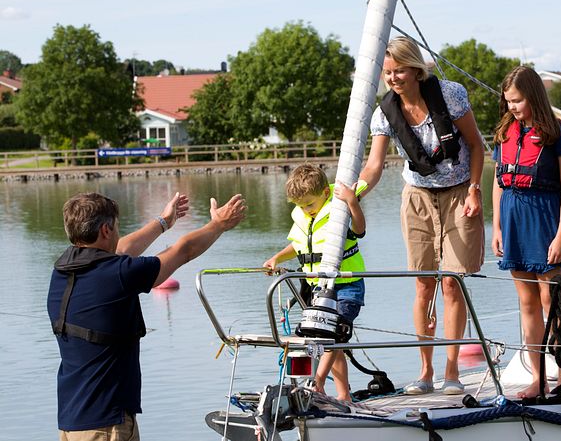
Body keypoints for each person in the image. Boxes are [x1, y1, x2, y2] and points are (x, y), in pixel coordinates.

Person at [48, 191, 246, 440]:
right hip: (106, 426)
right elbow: (183, 250)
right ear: (107, 230)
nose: (118, 234)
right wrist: (218, 225)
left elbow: (120, 249)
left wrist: (164, 222)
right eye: (116, 227)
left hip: (71, 423)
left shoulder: (62, 271)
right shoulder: (117, 275)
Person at [359, 37, 485, 396]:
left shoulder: (450, 94)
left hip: (460, 191)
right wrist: (357, 191)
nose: (393, 78)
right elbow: (374, 164)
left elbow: (476, 145)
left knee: (451, 282)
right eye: (387, 73)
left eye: (399, 70)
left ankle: (451, 372)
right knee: (423, 283)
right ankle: (425, 372)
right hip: (417, 196)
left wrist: (475, 189)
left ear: (415, 69)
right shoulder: (385, 113)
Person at [491, 66, 561, 399]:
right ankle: (538, 379)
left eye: (518, 100)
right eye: (508, 101)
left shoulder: (558, 134)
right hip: (512, 219)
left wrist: (560, 236)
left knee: (552, 302)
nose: (512, 107)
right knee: (527, 304)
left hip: (544, 220)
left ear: (534, 96)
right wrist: (496, 228)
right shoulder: (505, 133)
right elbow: (499, 185)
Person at [263, 163, 366, 402]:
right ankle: (344, 397)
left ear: (326, 194)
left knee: (334, 335)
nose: (306, 210)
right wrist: (277, 257)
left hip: (346, 286)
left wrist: (352, 202)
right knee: (326, 339)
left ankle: (316, 383)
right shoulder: (302, 216)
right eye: (301, 206)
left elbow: (359, 229)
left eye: (310, 204)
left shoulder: (338, 210)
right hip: (317, 290)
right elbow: (299, 245)